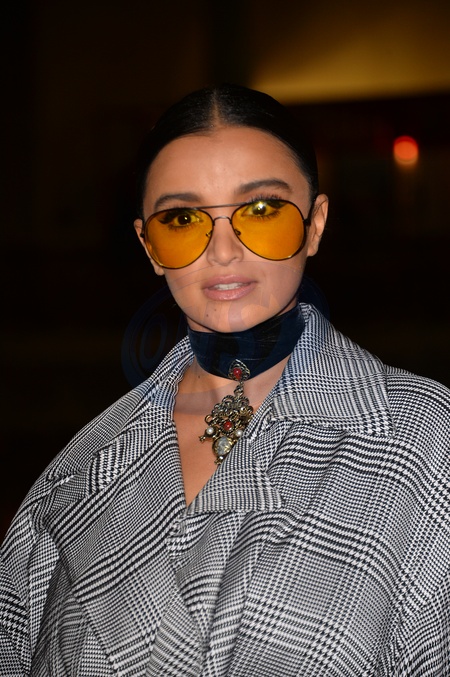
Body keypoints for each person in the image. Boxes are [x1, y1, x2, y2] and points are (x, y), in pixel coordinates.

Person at [1, 83, 449, 676]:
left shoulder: (423, 442)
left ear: (315, 224)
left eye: (262, 210)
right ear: (149, 246)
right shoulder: (77, 474)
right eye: (182, 219)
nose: (223, 251)